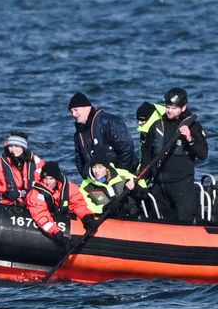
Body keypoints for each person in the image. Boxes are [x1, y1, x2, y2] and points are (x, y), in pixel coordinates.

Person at [144, 87, 208, 222]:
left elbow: (203, 154)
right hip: (159, 184)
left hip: (181, 184)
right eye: (167, 107)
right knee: (157, 219)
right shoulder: (157, 126)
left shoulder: (193, 126)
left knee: (185, 219)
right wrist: (142, 178)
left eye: (173, 108)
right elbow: (147, 154)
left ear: (183, 108)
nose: (169, 111)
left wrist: (190, 139)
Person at [26, 161, 95, 249]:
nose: (47, 182)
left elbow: (78, 205)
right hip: (47, 223)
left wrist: (88, 219)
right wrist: (57, 234)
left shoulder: (70, 188)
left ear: (57, 179)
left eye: (51, 179)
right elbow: (41, 216)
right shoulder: (36, 194)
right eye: (45, 178)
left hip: (61, 216)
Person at [68, 92, 136, 179]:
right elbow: (79, 159)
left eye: (76, 110)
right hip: (96, 179)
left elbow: (126, 148)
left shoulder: (109, 122)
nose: (73, 114)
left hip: (120, 175)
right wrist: (86, 176)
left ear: (87, 108)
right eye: (71, 111)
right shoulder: (78, 134)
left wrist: (118, 175)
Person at [0, 131, 44, 204]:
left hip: (33, 203)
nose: (13, 150)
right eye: (10, 146)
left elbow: (47, 183)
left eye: (16, 146)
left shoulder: (37, 162)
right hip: (8, 203)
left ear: (23, 147)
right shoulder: (0, 163)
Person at [135, 101, 166, 171]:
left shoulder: (159, 127)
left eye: (142, 120)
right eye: (138, 120)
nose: (139, 123)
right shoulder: (144, 129)